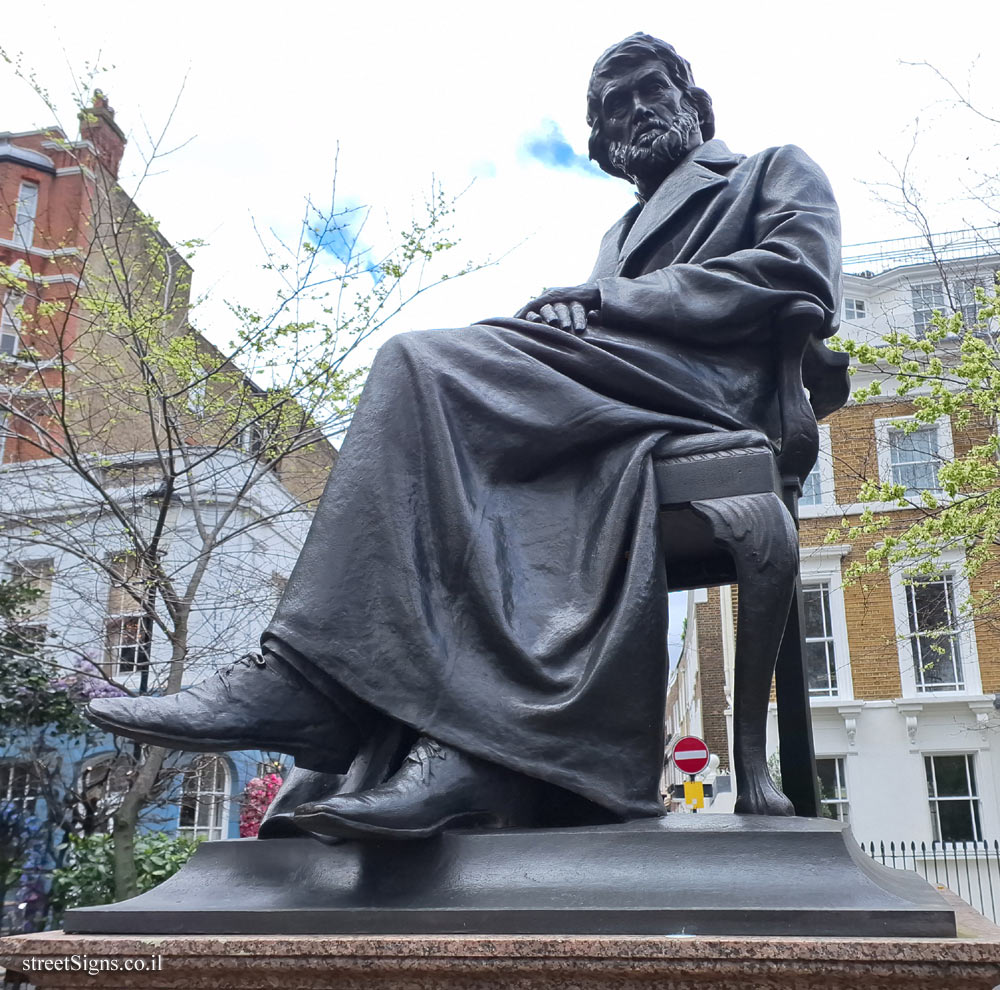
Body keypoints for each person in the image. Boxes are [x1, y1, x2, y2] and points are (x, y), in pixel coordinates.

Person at [88, 33, 843, 840]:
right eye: (612, 107)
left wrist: (603, 305)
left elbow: (797, 270)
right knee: (467, 469)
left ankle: (317, 686)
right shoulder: (617, 236)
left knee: (420, 365)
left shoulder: (769, 169)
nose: (633, 112)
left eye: (647, 90)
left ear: (693, 103)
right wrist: (579, 312)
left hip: (711, 395)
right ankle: (452, 744)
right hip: (613, 397)